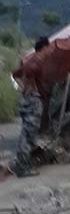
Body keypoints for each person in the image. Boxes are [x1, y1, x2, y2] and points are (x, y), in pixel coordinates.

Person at [1, 36, 50, 180]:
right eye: (49, 48)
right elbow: (39, 84)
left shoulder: (29, 61)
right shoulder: (36, 63)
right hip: (34, 101)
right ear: (44, 48)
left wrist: (22, 88)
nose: (50, 50)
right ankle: (22, 168)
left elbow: (14, 74)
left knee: (26, 135)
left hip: (27, 100)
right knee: (28, 137)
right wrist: (34, 91)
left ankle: (23, 165)